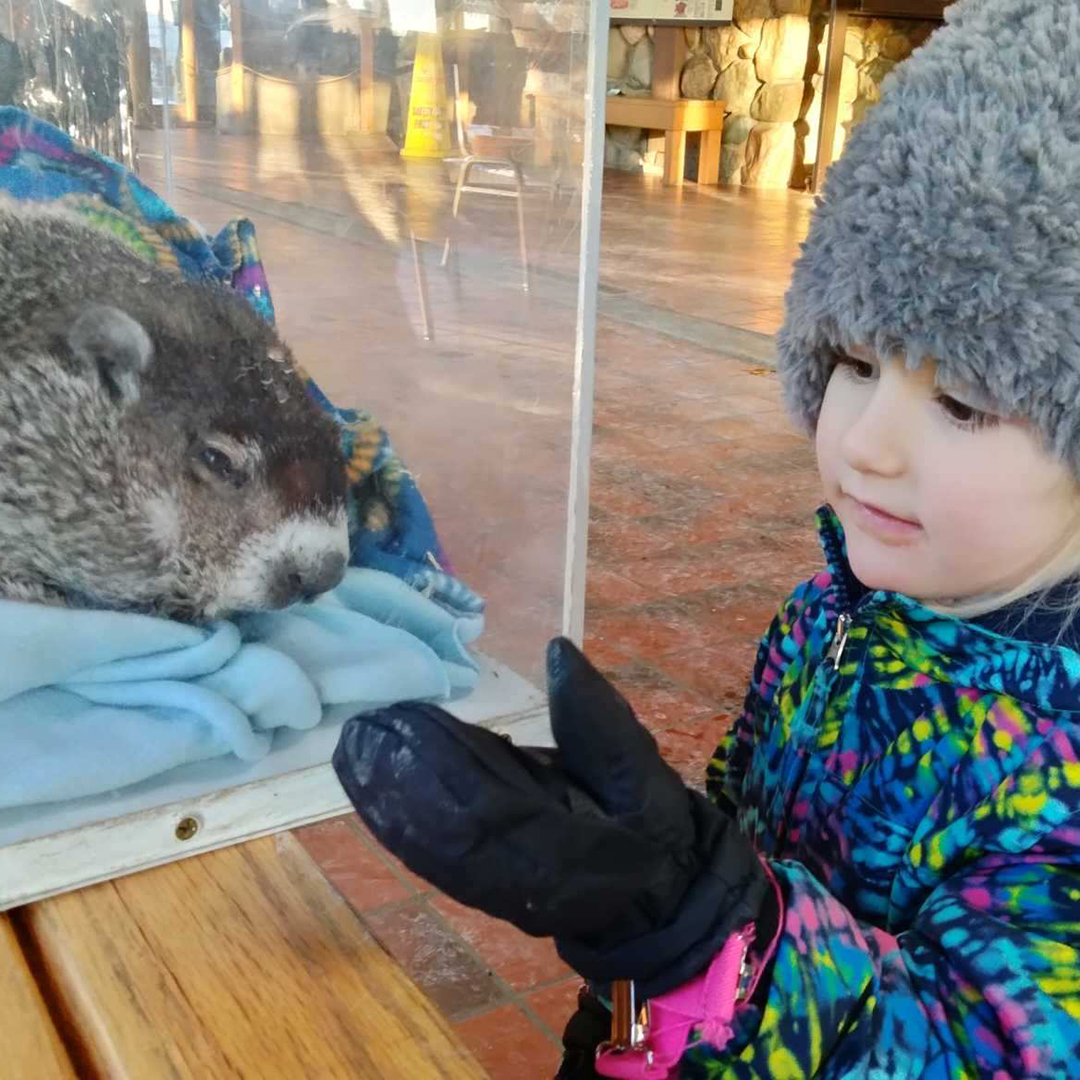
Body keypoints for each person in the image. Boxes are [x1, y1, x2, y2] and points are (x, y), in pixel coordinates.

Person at [332, 0, 1080, 1075]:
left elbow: (982, 1052)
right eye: (856, 364)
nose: (865, 442)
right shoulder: (828, 619)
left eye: (961, 402)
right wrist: (630, 998)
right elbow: (740, 849)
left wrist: (698, 930)